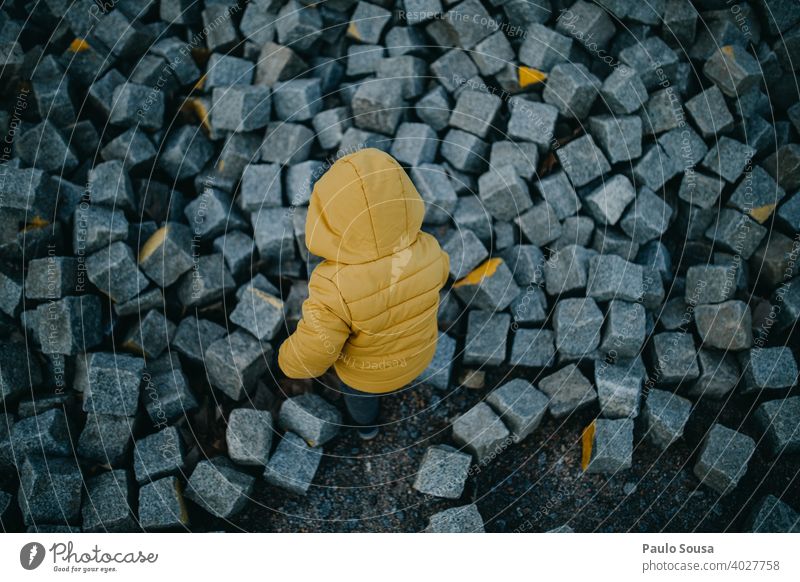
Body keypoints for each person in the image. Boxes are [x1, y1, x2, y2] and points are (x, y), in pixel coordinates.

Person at [277, 148, 450, 440]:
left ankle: (367, 429)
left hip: (366, 376)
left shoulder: (333, 287)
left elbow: (316, 350)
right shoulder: (429, 250)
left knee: (359, 399)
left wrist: (285, 361)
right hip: (422, 354)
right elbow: (441, 276)